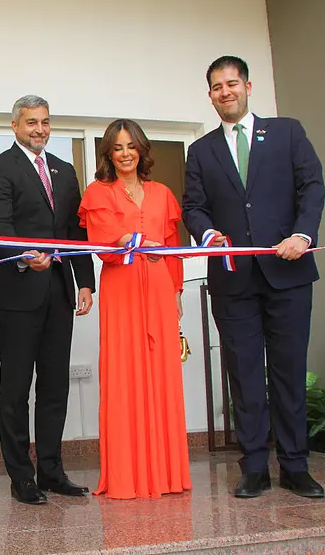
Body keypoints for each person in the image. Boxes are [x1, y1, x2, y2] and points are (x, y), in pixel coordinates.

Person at [182, 56, 325, 498]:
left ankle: (296, 466)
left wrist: (303, 233)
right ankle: (255, 467)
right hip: (233, 281)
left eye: (232, 83)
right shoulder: (201, 150)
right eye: (216, 87)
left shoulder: (287, 132)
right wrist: (208, 234)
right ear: (209, 95)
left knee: (288, 370)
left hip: (288, 272)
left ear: (248, 86)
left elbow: (312, 186)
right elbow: (193, 205)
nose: (225, 92)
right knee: (243, 374)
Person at [0, 95, 96, 505]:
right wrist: (27, 256)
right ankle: (21, 477)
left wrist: (84, 281)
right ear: (15, 126)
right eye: (31, 122)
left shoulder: (65, 172)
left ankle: (51, 471)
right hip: (16, 291)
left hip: (59, 292)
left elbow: (74, 232)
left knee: (54, 386)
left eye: (45, 122)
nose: (40, 130)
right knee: (15, 388)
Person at [78, 119, 191, 499]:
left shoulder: (162, 193)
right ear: (108, 154)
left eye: (131, 146)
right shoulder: (98, 192)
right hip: (122, 289)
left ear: (141, 150)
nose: (125, 154)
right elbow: (105, 246)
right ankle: (128, 475)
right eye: (117, 148)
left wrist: (175, 292)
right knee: (125, 373)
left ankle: (167, 474)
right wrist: (124, 239)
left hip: (159, 290)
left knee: (162, 373)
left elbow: (173, 248)